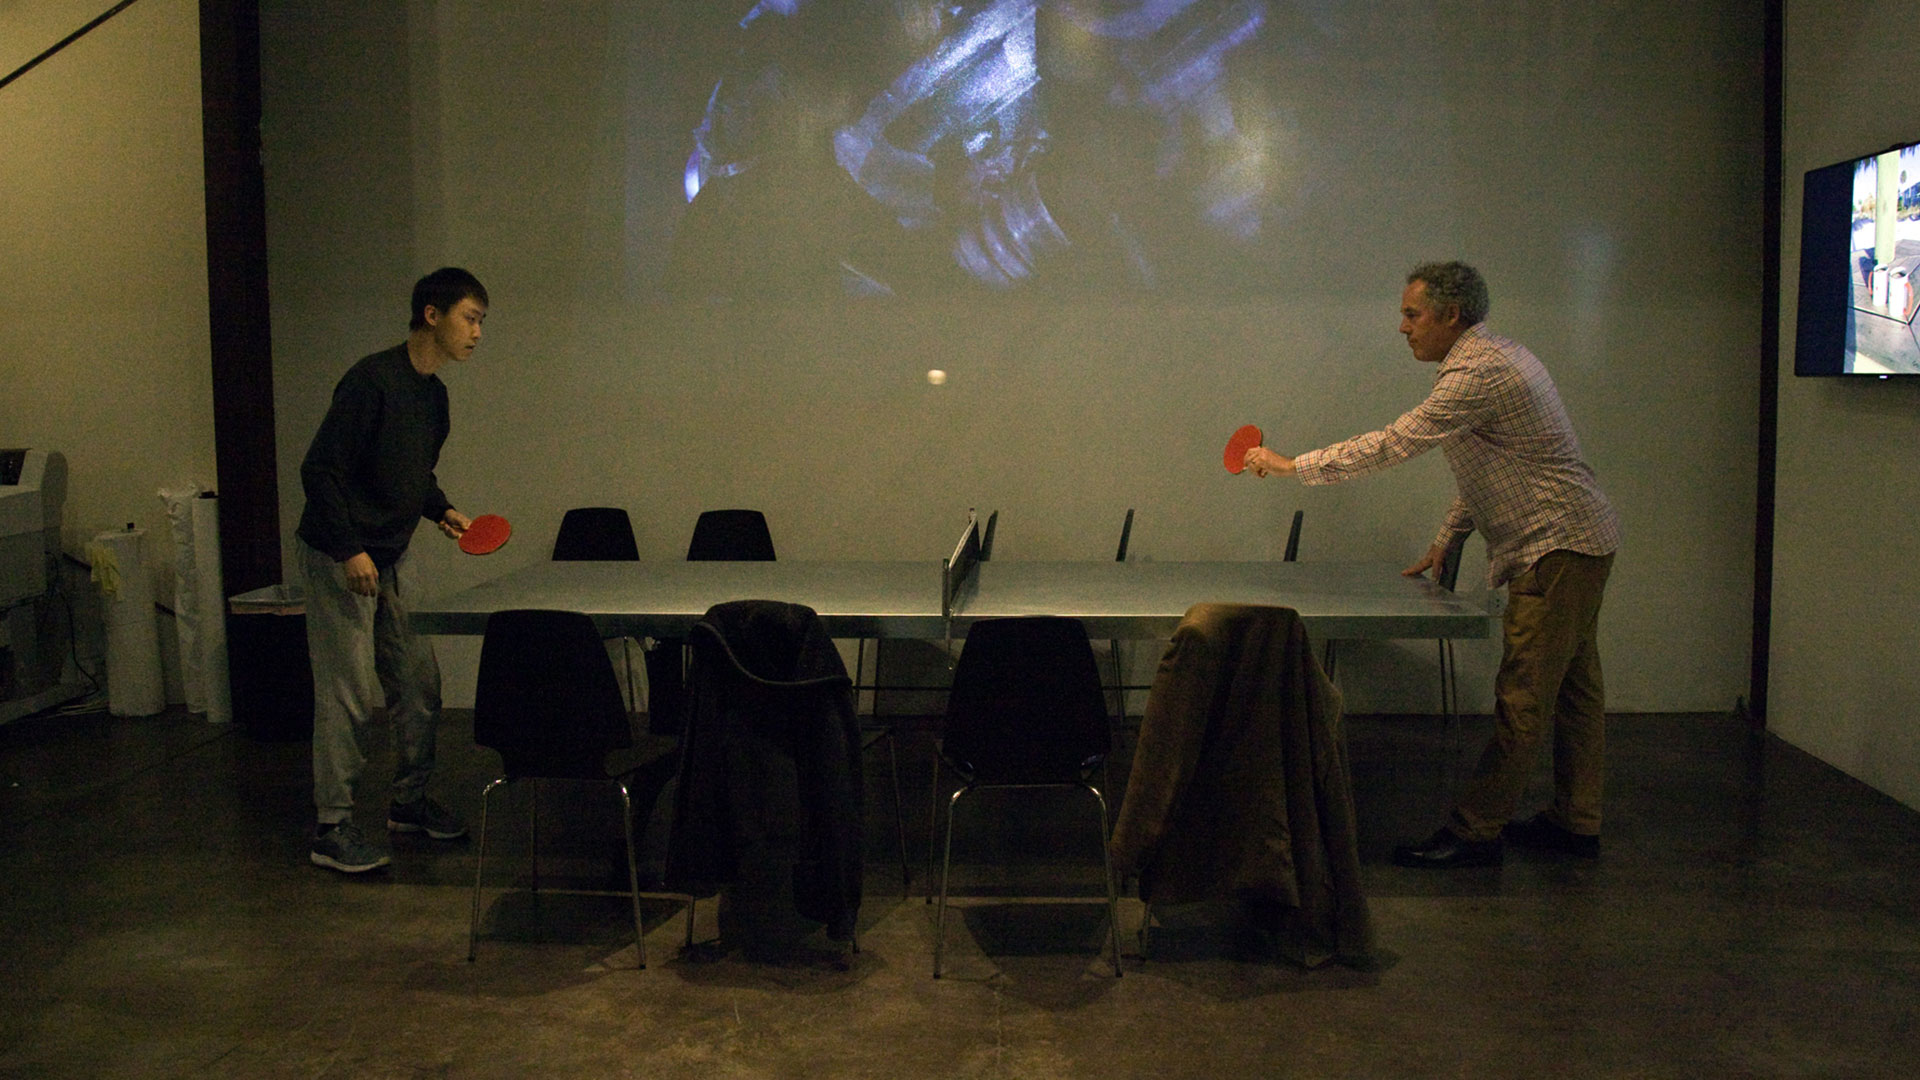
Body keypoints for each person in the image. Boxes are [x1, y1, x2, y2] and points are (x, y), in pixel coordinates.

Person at [1244, 261, 1621, 869]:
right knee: (1575, 691)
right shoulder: (1496, 356)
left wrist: (1293, 466)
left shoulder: (1477, 374)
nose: (1403, 328)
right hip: (1580, 541)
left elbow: (1395, 442)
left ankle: (1477, 832)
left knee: (1525, 698)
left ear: (1450, 315)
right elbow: (1490, 465)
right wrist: (1449, 538)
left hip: (1556, 549)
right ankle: (1576, 821)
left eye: (1412, 315)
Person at [296, 267, 487, 873]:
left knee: (418, 685)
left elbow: (411, 472)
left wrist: (442, 510)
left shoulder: (434, 395)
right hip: (339, 555)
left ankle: (408, 804)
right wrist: (350, 548)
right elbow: (320, 470)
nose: (478, 332)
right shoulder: (371, 381)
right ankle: (331, 827)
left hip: (391, 554)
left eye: (481, 321)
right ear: (432, 315)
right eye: (470, 318)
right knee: (348, 694)